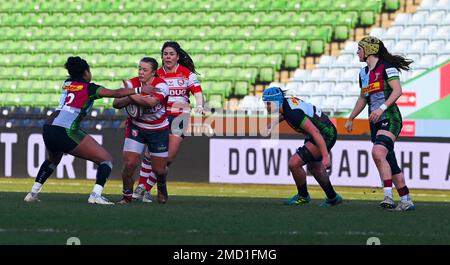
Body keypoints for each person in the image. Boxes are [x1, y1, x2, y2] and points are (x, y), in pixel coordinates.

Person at [24, 56, 154, 205]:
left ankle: (32, 193)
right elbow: (115, 93)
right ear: (86, 72)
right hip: (66, 129)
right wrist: (139, 89)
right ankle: (95, 195)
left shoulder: (67, 83)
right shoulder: (90, 88)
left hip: (48, 127)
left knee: (53, 160)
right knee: (106, 160)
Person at [344, 36, 415, 211]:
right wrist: (351, 117)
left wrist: (381, 108)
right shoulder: (363, 73)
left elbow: (398, 90)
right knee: (389, 159)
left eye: (360, 48)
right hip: (375, 121)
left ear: (369, 50)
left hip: (390, 118)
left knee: (377, 151)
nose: (357, 52)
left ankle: (388, 197)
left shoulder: (387, 68)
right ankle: (406, 200)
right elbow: (363, 97)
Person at [132, 41, 205, 203]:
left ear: (178, 57)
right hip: (161, 116)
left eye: (171, 54)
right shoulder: (156, 74)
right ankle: (141, 188)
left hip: (180, 117)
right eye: (165, 54)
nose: (168, 57)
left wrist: (200, 105)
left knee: (167, 158)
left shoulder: (187, 74)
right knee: (150, 154)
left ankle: (148, 188)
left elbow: (198, 93)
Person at [262, 87, 343, 207]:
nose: (266, 107)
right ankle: (332, 197)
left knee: (294, 163)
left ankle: (303, 196)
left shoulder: (293, 113)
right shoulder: (285, 105)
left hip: (324, 134)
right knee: (314, 166)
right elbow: (285, 115)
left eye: (268, 103)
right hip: (320, 132)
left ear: (275, 102)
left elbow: (315, 132)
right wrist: (273, 123)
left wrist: (326, 156)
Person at [112, 57, 170, 204]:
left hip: (158, 129)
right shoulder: (133, 83)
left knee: (159, 169)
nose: (141, 72)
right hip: (136, 127)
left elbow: (151, 102)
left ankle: (162, 185)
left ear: (154, 73)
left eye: (145, 70)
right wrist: (135, 93)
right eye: (139, 68)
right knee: (129, 164)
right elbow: (116, 103)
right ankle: (127, 197)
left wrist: (130, 94)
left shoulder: (162, 86)